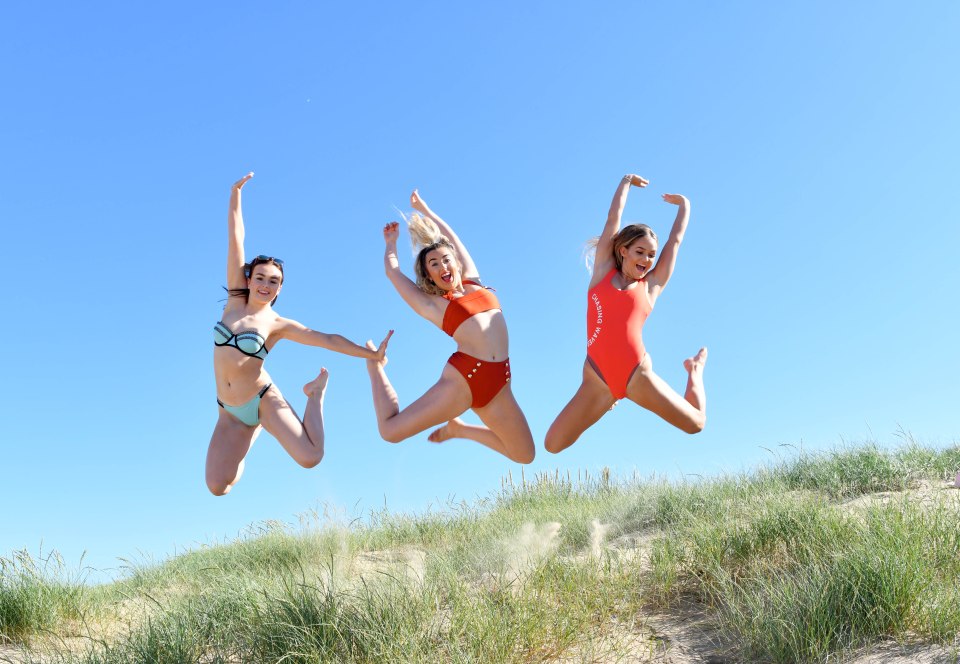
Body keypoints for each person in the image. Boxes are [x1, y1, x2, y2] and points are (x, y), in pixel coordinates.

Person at [208, 172, 392, 495]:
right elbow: (235, 236)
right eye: (261, 278)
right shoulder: (234, 303)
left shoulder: (277, 324)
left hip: (261, 399)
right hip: (228, 411)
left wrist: (371, 354)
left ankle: (314, 395)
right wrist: (235, 194)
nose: (266, 285)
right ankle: (253, 430)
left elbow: (325, 338)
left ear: (279, 289)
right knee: (218, 486)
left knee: (311, 457)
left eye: (273, 282)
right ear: (249, 279)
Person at [364, 189, 535, 463]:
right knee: (391, 431)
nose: (442, 265)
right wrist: (390, 244)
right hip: (465, 379)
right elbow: (393, 273)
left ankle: (461, 429)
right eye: (434, 263)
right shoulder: (434, 305)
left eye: (446, 259)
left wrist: (425, 210)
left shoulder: (474, 281)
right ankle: (375, 367)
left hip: (500, 382)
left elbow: (453, 237)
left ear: (455, 262)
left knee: (524, 454)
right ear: (429, 274)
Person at [545, 174, 707, 454]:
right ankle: (607, 403)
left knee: (696, 424)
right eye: (640, 252)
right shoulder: (601, 274)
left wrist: (685, 207)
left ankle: (695, 370)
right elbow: (612, 219)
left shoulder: (651, 287)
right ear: (624, 250)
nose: (646, 260)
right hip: (597, 377)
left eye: (651, 256)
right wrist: (624, 184)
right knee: (553, 444)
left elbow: (675, 242)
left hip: (636, 375)